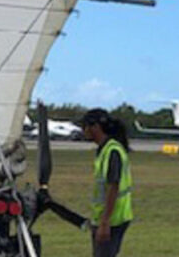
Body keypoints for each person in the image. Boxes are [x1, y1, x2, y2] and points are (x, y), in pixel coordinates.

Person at [80, 109, 133, 257]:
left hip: (113, 219)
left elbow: (113, 187)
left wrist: (105, 223)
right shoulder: (105, 149)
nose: (84, 131)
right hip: (110, 217)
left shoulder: (112, 151)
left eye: (85, 127)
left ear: (95, 127)